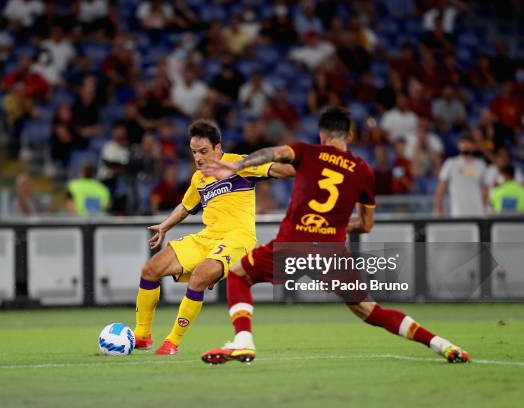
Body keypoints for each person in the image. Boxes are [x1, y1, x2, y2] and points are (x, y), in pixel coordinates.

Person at [200, 107, 470, 365]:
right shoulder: (363, 171)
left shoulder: (307, 152)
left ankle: (244, 339)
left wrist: (237, 166)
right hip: (332, 252)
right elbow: (366, 225)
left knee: (238, 274)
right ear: (349, 136)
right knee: (370, 310)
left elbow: (272, 152)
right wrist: (336, 225)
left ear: (322, 135)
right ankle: (440, 343)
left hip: (293, 243)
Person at [132, 119, 294, 355]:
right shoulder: (199, 178)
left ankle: (172, 342)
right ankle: (142, 335)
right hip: (207, 237)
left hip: (237, 238)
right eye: (194, 152)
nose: (198, 158)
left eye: (204, 151)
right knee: (150, 269)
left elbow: (285, 170)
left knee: (199, 276)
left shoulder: (239, 163)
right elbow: (186, 206)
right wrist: (165, 226)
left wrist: (296, 165)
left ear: (218, 148)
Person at [434, 135, 487, 216]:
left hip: (477, 212)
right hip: (458, 212)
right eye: (463, 142)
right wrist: (437, 207)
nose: (466, 145)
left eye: (469, 143)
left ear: (473, 146)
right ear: (459, 145)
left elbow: (485, 188)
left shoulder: (480, 164)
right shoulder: (450, 164)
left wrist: (485, 207)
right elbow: (441, 186)